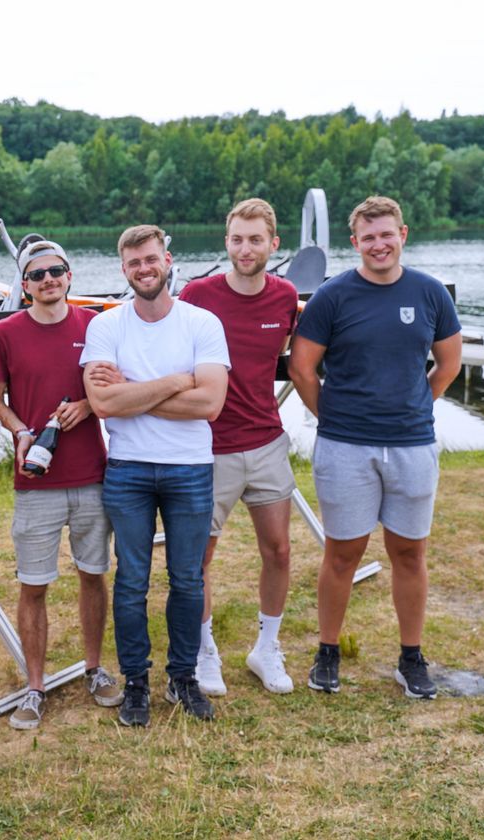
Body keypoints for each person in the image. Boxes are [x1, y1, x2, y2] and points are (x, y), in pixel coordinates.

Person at [288, 195, 462, 700]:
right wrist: (335, 417)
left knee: (409, 552)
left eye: (387, 234)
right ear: (355, 243)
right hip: (346, 447)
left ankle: (411, 657)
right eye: (369, 237)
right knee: (342, 554)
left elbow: (447, 363)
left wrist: (417, 404)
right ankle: (327, 652)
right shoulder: (333, 296)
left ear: (402, 235)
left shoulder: (429, 293)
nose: (379, 244)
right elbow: (302, 367)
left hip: (411, 444)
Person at [81, 224, 230, 725]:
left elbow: (210, 404)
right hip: (129, 471)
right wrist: (174, 382)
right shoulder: (107, 326)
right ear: (123, 270)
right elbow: (102, 403)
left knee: (188, 579)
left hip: (191, 469)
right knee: (131, 581)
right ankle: (136, 684)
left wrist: (135, 391)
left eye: (151, 259)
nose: (144, 269)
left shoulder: (202, 323)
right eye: (133, 263)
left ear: (167, 260)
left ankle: (183, 678)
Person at [0, 238, 122, 731]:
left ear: (70, 276)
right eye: (37, 274)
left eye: (56, 271)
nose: (48, 280)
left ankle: (94, 669)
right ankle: (35, 687)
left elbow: (114, 384)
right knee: (34, 586)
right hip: (35, 481)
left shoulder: (97, 325)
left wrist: (87, 406)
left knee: (93, 574)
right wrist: (21, 430)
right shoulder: (5, 332)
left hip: (92, 475)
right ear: (24, 286)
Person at [178, 198, 299, 696]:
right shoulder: (198, 295)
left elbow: (301, 349)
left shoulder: (286, 296)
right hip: (210, 448)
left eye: (255, 240)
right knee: (200, 558)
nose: (244, 249)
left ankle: (266, 648)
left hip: (267, 441)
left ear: (273, 244)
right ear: (225, 242)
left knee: (279, 549)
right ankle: (206, 653)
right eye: (236, 239)